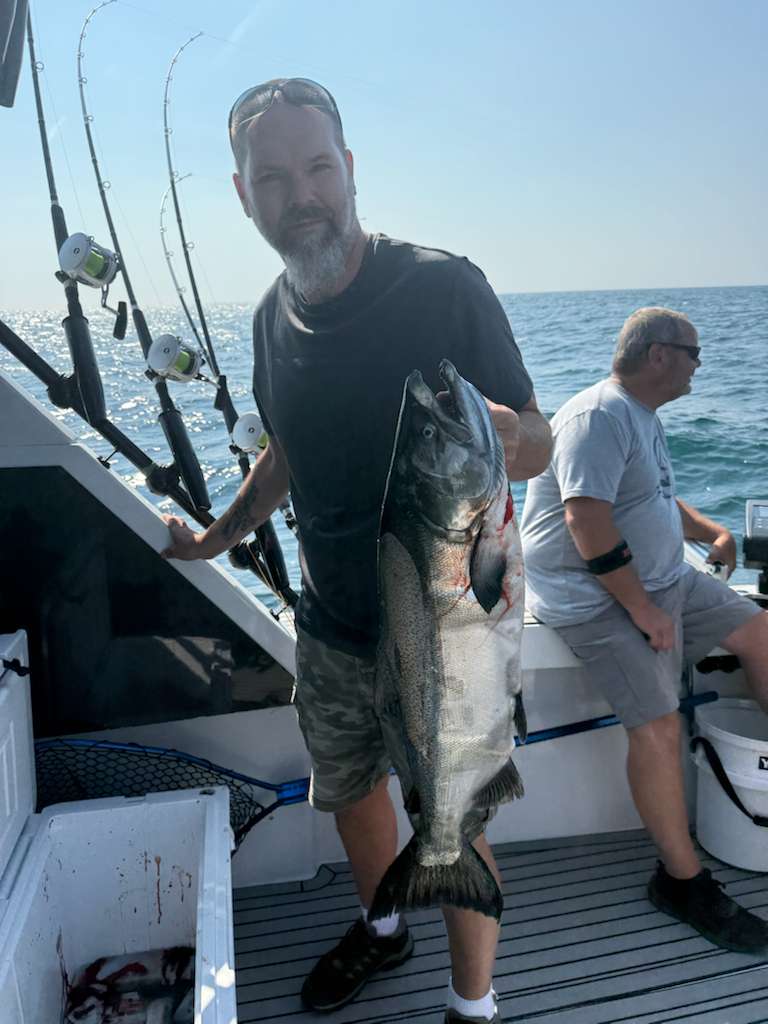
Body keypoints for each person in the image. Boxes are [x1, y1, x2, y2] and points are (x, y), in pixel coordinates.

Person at [161, 78, 552, 1023]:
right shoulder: (269, 319)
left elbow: (538, 441)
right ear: (244, 194)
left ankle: (473, 1004)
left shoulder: (444, 286)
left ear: (350, 168)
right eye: (273, 177)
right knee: (349, 792)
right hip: (332, 626)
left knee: (454, 811)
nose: (302, 195)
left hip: (452, 630)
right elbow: (283, 455)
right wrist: (214, 539)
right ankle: (383, 928)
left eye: (318, 168)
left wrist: (504, 436)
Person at [521, 307, 768, 954]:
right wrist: (642, 610)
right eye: (694, 354)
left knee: (761, 633)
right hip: (595, 597)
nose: (699, 367)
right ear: (659, 354)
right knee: (658, 725)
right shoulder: (598, 416)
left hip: (664, 578)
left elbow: (649, 495)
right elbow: (586, 520)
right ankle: (681, 881)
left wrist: (709, 530)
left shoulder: (640, 414)